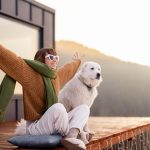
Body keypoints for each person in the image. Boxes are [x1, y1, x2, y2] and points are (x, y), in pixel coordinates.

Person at [0, 45, 90, 150]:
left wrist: (77, 61)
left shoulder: (55, 76)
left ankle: (71, 136)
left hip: (52, 123)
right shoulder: (28, 73)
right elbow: (11, 59)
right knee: (58, 107)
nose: (55, 60)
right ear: (41, 59)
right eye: (50, 57)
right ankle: (76, 134)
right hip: (36, 127)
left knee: (84, 108)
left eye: (56, 58)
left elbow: (68, 70)